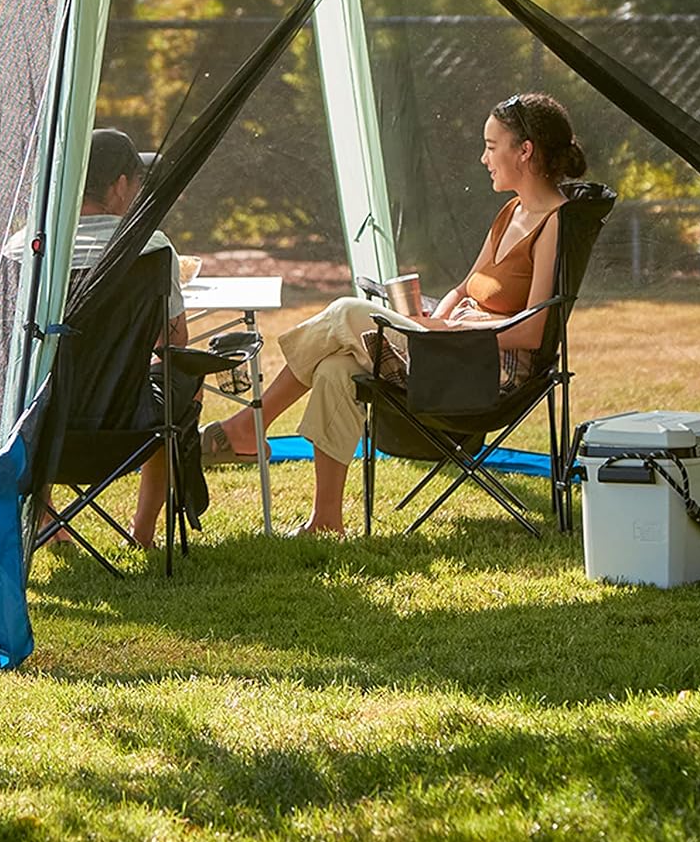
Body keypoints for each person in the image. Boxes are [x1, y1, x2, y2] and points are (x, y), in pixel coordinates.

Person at [200, 92, 588, 534]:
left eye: (491, 145)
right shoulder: (511, 211)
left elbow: (535, 331)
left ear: (525, 151)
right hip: (450, 345)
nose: (483, 157)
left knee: (347, 310)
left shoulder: (555, 221)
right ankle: (326, 520)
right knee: (334, 369)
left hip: (484, 367)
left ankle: (252, 424)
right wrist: (432, 322)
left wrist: (446, 331)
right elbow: (465, 287)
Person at [6, 128, 191, 550]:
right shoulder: (151, 247)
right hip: (126, 431)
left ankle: (46, 520)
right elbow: (174, 341)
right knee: (177, 383)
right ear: (122, 184)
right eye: (138, 182)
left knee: (31, 382)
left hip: (33, 429)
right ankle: (142, 531)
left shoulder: (23, 249)